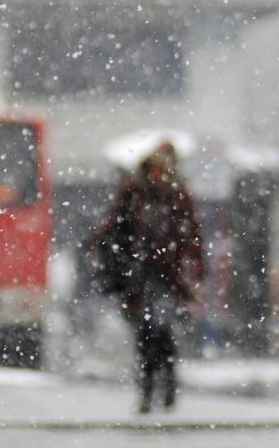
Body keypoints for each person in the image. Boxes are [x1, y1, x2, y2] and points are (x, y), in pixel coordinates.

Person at [91, 140, 203, 413]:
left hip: (165, 276)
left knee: (159, 330)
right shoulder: (135, 193)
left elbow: (191, 237)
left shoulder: (176, 196)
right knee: (147, 333)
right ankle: (151, 387)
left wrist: (192, 272)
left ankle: (161, 385)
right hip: (139, 276)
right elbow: (113, 227)